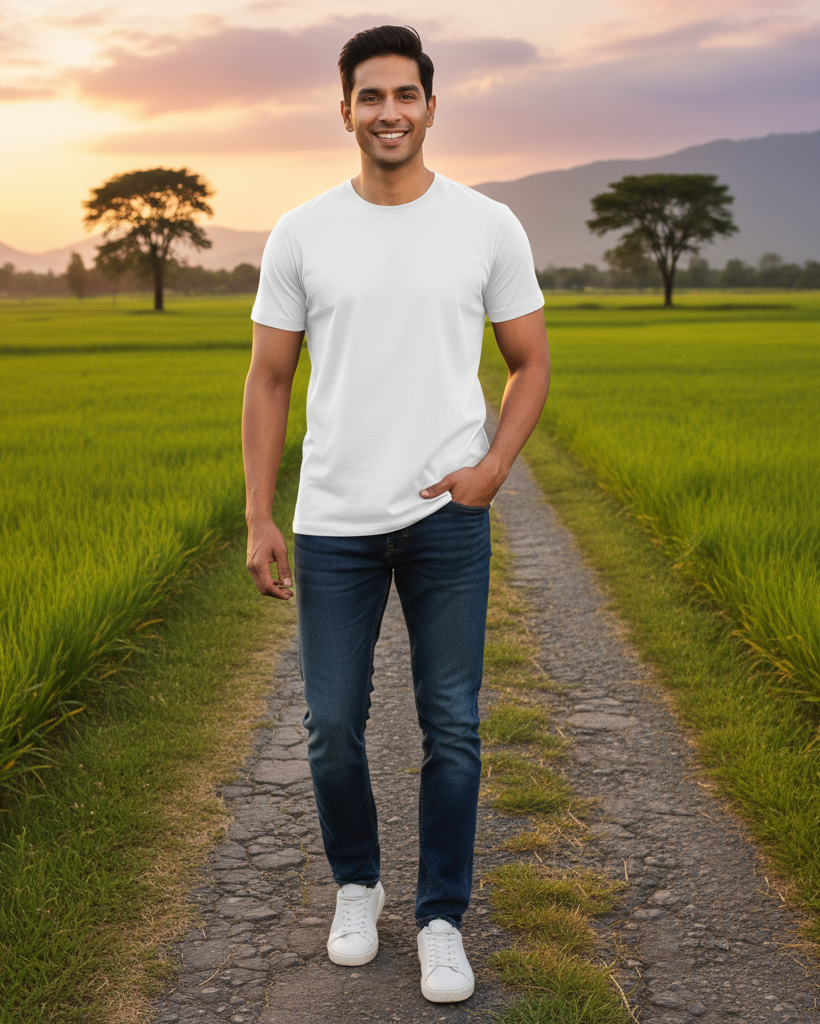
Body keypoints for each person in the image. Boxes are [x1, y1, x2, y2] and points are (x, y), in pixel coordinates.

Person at [242, 24, 550, 1004]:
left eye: (404, 95)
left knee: (450, 724)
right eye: (368, 96)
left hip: (445, 522)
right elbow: (268, 378)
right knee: (332, 723)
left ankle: (442, 917)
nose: (387, 112)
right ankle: (358, 884)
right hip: (333, 521)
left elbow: (529, 360)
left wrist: (493, 466)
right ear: (343, 110)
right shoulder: (301, 231)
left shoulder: (486, 225)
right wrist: (261, 512)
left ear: (429, 105)